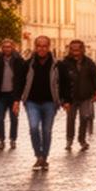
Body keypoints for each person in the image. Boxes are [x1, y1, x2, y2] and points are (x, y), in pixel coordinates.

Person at [22, 36, 61, 170]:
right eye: (39, 45)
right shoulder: (28, 64)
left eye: (44, 46)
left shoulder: (56, 64)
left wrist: (63, 100)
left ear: (49, 47)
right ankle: (38, 155)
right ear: (35, 47)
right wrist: (19, 99)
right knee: (33, 128)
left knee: (46, 131)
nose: (42, 48)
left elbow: (63, 83)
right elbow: (20, 82)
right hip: (32, 102)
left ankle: (44, 157)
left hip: (50, 103)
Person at [58, 39, 96, 152]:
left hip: (85, 96)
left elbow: (95, 77)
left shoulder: (89, 62)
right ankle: (69, 140)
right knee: (70, 119)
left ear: (82, 49)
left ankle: (82, 140)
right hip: (70, 97)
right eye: (72, 49)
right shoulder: (65, 63)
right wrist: (62, 99)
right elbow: (60, 82)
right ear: (70, 50)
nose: (75, 51)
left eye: (77, 48)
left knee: (84, 118)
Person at [0, 39, 29, 151]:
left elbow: (22, 78)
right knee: (0, 118)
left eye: (9, 47)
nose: (7, 49)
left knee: (14, 118)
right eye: (5, 47)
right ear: (2, 48)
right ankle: (1, 140)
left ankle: (13, 139)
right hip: (1, 95)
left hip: (13, 95)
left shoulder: (18, 60)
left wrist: (20, 95)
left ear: (13, 47)